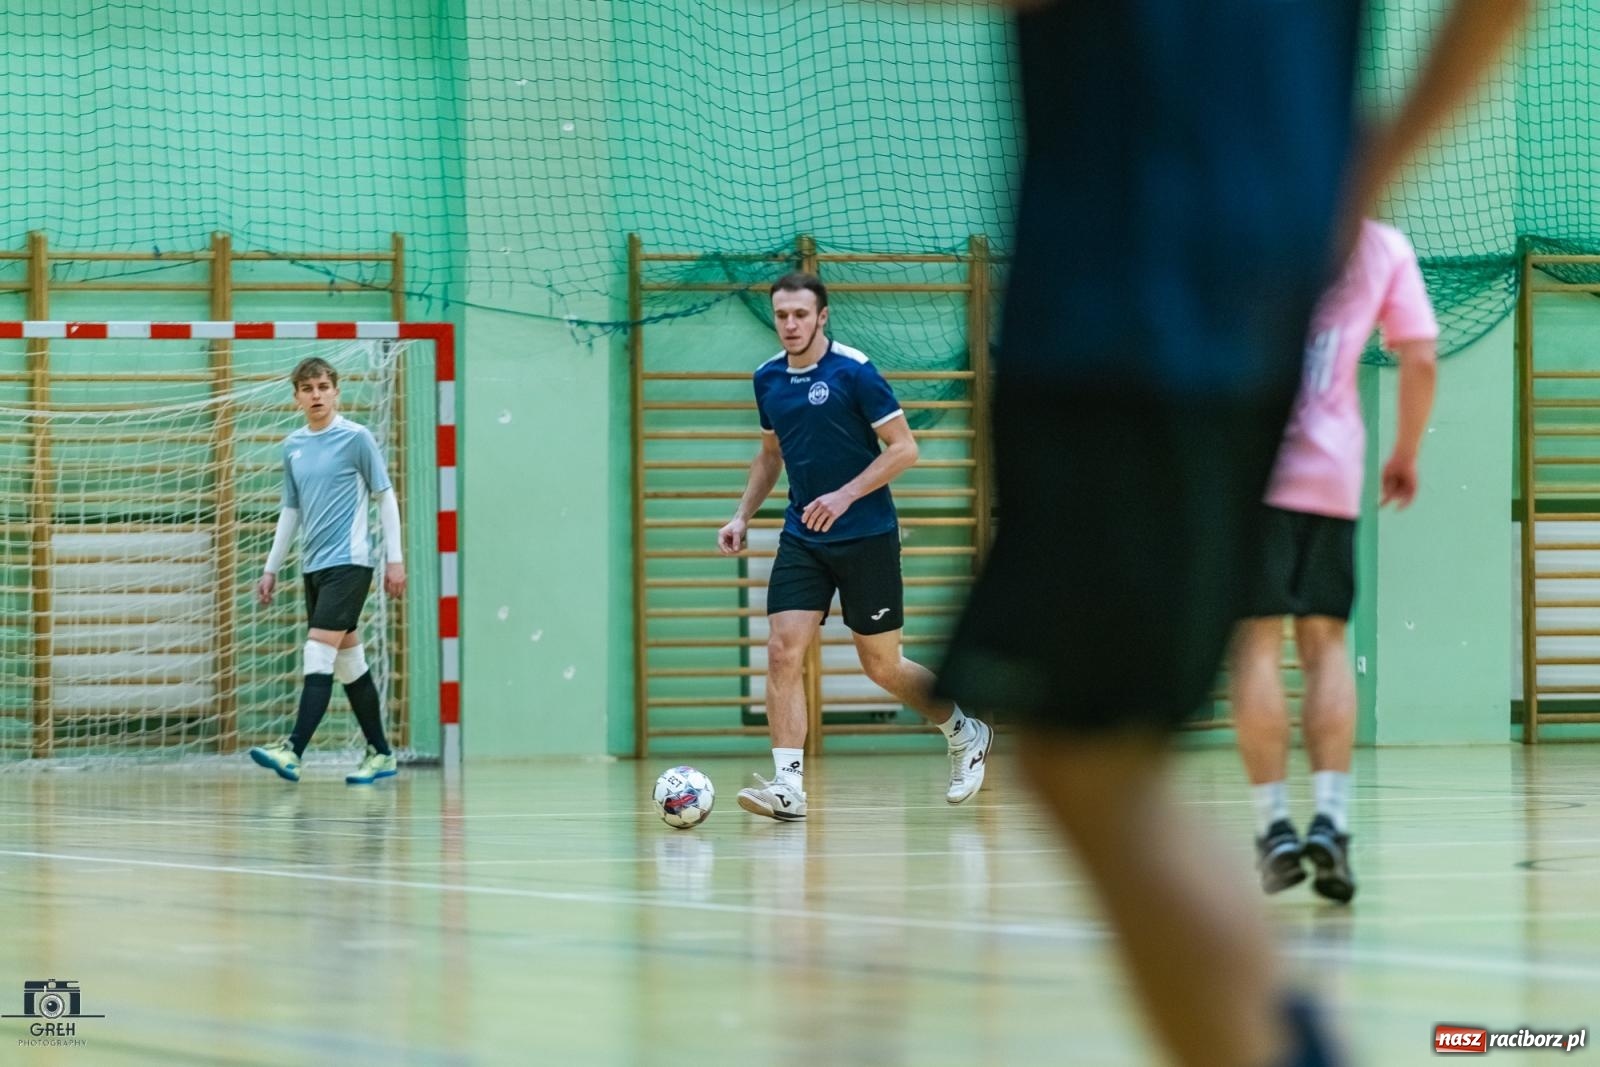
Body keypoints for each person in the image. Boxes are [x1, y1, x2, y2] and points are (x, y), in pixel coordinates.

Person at [923, 2, 1531, 1065]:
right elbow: (1420, 356)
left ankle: (1279, 923)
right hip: (1251, 340)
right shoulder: (1363, 242)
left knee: (1096, 743)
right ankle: (1317, 840)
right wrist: (1374, 162)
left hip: (1132, 296)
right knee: (1144, 724)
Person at [717, 272, 992, 821]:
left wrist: (844, 495)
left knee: (882, 665)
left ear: (822, 316)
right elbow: (771, 455)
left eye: (800, 314)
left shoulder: (854, 371)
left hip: (865, 534)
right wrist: (742, 514)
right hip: (803, 535)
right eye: (781, 315)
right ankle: (788, 785)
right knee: (780, 650)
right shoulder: (767, 379)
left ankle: (965, 731)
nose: (790, 324)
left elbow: (904, 448)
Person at [1234, 219, 1438, 905]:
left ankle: (1276, 831)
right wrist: (1405, 452)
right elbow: (1422, 356)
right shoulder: (1380, 244)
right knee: (1326, 644)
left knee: (1257, 646)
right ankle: (1332, 819)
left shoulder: (1247, 213)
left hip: (1251, 469)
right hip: (1330, 473)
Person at [247, 356, 406, 786]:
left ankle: (293, 750)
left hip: (350, 564)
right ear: (297, 397)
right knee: (349, 662)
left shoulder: (357, 438)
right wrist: (271, 568)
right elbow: (291, 511)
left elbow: (385, 497)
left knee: (317, 652)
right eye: (307, 389)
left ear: (336, 391)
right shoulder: (293, 446)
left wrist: (396, 559)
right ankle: (382, 754)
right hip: (313, 567)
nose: (316, 395)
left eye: (322, 387)